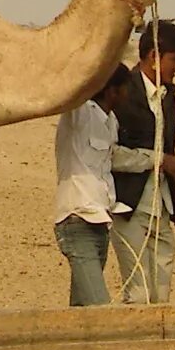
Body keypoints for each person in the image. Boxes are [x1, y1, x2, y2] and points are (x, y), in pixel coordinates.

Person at [109, 21, 175, 304]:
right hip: (129, 208)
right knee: (139, 294)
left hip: (162, 207)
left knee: (161, 297)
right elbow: (110, 154)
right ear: (153, 56)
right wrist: (160, 161)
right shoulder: (120, 94)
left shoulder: (168, 97)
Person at [52, 66, 134, 307]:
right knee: (100, 307)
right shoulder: (78, 114)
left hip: (101, 223)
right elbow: (70, 84)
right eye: (125, 88)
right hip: (77, 220)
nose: (129, 94)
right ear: (112, 91)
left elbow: (112, 159)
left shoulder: (111, 121)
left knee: (82, 311)